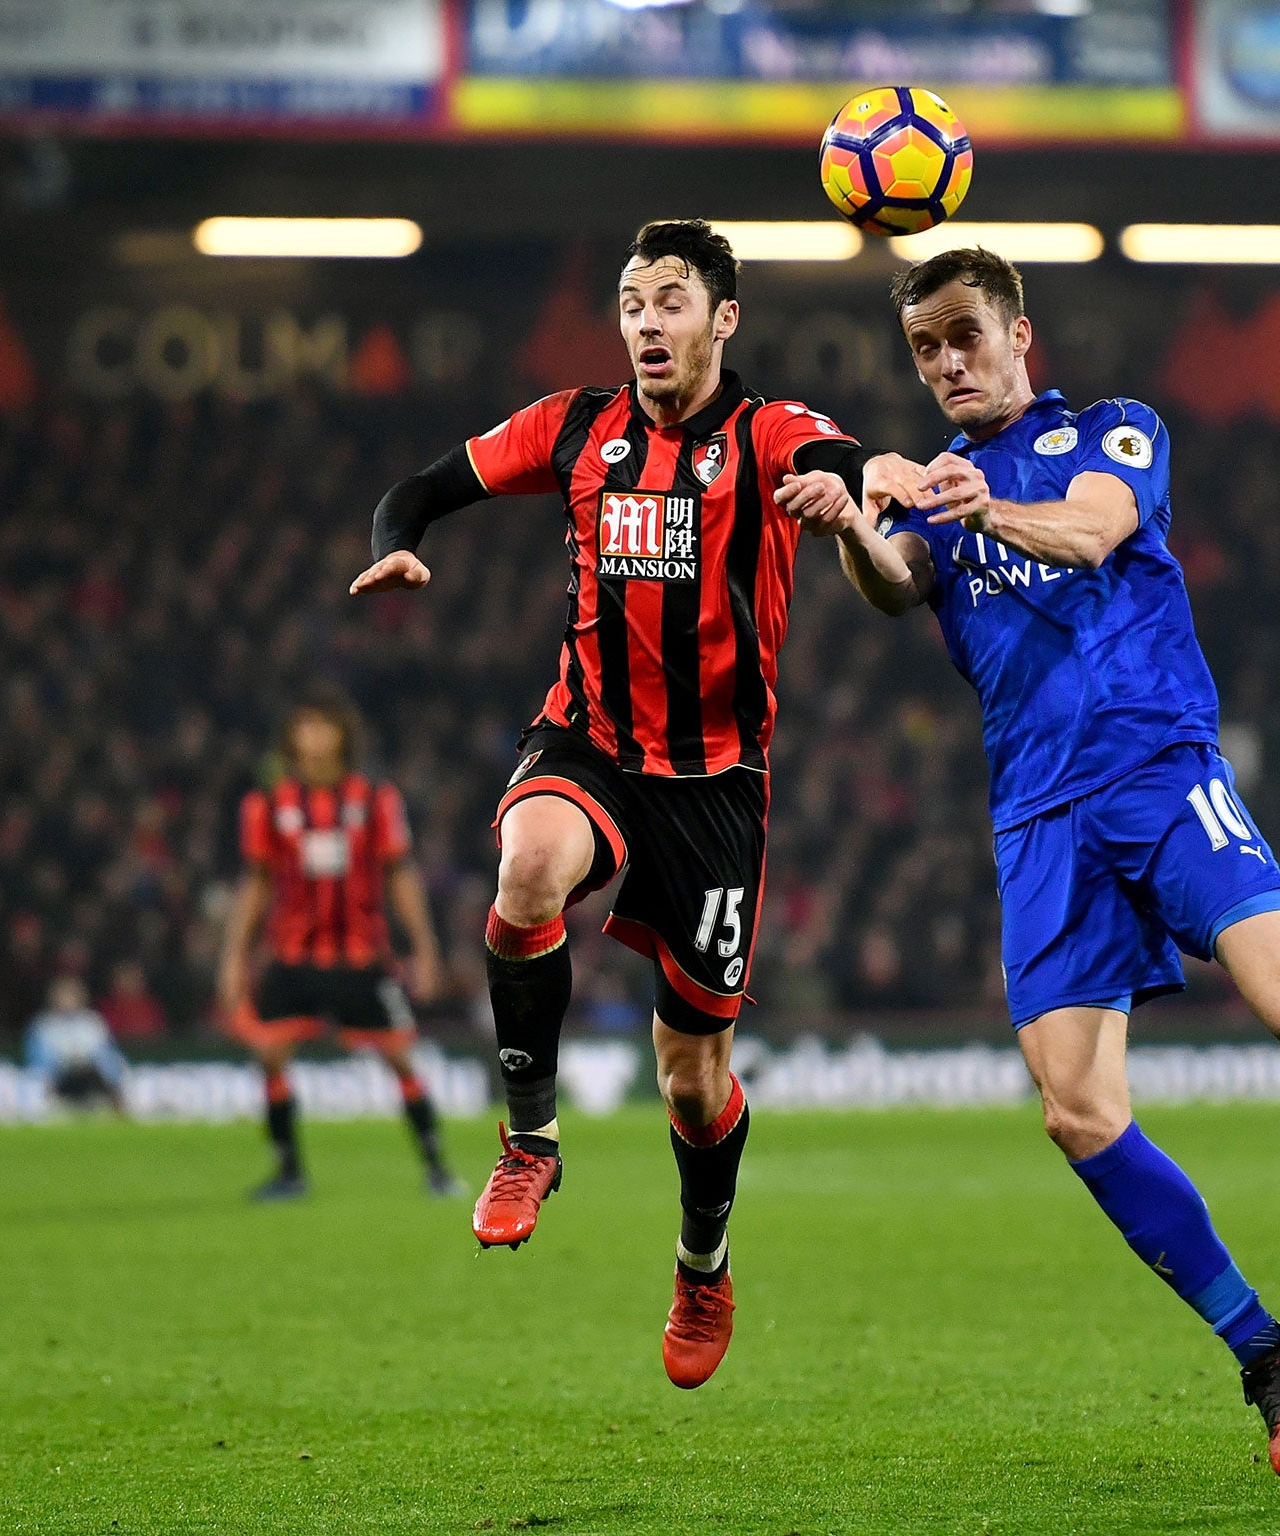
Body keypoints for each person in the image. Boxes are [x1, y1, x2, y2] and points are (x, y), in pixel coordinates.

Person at [792, 246, 1280, 1477]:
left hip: (1155, 770)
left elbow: (1090, 535)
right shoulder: (936, 484)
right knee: (1075, 1113)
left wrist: (969, 503)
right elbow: (895, 585)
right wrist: (847, 522)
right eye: (925, 349)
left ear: (1019, 334)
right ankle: (1264, 1349)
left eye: (965, 335)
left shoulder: (1114, 431)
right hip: (1036, 817)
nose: (946, 365)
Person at [348, 219, 901, 1389]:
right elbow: (421, 487)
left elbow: (848, 456)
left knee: (691, 1079)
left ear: (721, 320)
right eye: (631, 302)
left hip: (712, 789)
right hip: (588, 741)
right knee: (525, 868)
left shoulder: (767, 435)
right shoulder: (576, 427)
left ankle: (702, 1265)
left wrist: (855, 489)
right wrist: (397, 544)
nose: (646, 323)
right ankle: (528, 1138)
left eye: (668, 301)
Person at [215, 690, 456, 1201]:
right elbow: (256, 883)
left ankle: (437, 1168)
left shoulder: (375, 800)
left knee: (400, 1059)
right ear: (291, 738)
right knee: (270, 1053)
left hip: (362, 957)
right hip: (292, 957)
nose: (316, 737)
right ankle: (288, 1173)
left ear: (344, 735)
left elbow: (400, 874)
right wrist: (235, 954)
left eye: (326, 726)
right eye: (306, 726)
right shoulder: (267, 804)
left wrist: (425, 947)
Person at [24, 975, 128, 1112]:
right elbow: (38, 1062)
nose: (67, 1000)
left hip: (92, 1076)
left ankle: (111, 1104)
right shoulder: (43, 1025)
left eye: (71, 995)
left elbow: (106, 1055)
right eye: (63, 996)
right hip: (59, 1078)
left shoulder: (92, 1022)